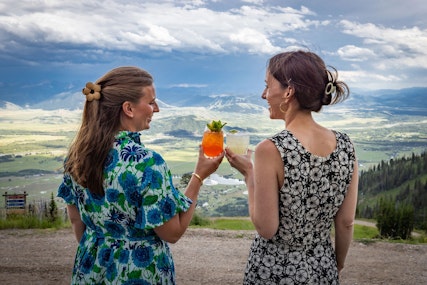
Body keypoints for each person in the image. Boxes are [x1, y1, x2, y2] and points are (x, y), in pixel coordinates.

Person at [57, 66, 223, 284]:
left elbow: (76, 219)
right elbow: (172, 233)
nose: (157, 109)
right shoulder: (148, 163)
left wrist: (103, 249)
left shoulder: (77, 155)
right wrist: (199, 176)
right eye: (152, 102)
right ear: (129, 108)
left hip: (89, 269)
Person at [225, 50, 358, 284]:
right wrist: (336, 265)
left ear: (288, 91)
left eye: (268, 86)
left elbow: (266, 228)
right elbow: (346, 222)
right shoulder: (346, 145)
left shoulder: (271, 149)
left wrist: (249, 174)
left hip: (274, 271)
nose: (263, 94)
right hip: (322, 267)